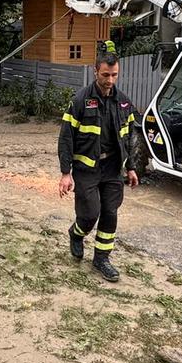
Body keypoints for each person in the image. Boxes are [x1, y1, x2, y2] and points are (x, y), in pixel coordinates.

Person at [57, 51, 140, 282]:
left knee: (110, 213)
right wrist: (66, 173)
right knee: (90, 213)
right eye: (106, 74)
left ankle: (102, 258)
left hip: (113, 168)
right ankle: (76, 233)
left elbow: (131, 136)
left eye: (114, 75)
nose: (110, 80)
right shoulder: (80, 100)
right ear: (95, 72)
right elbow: (66, 138)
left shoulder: (123, 101)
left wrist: (131, 167)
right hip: (87, 169)